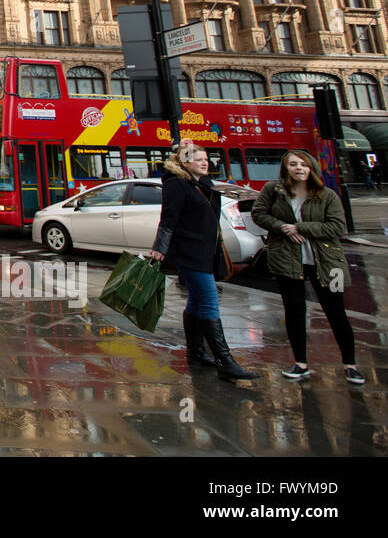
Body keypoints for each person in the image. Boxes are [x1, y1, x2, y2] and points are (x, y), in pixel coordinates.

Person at [252, 150, 364, 385]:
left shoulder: (326, 195)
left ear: (311, 168)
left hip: (327, 262)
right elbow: (259, 214)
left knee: (336, 313)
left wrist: (300, 228)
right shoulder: (274, 191)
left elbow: (336, 227)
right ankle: (300, 363)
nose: (299, 168)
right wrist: (283, 227)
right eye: (293, 164)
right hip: (287, 260)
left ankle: (350, 364)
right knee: (294, 312)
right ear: (286, 169)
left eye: (304, 164)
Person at [150, 140, 257, 381]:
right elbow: (169, 219)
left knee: (197, 302)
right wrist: (160, 248)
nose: (205, 163)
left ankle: (196, 353)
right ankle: (224, 360)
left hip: (208, 250)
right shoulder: (176, 184)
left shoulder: (204, 183)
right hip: (190, 251)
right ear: (185, 162)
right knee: (209, 301)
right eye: (199, 160)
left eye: (206, 160)